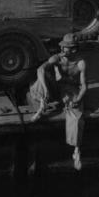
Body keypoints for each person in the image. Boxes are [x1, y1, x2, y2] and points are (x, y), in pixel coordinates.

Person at [29, 32, 87, 171]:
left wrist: (78, 99)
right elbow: (40, 69)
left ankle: (76, 150)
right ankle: (42, 105)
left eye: (66, 47)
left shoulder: (81, 63)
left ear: (73, 49)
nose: (62, 49)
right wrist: (45, 87)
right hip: (56, 86)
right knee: (41, 80)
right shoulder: (58, 58)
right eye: (62, 47)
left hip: (70, 88)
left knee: (76, 114)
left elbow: (84, 85)